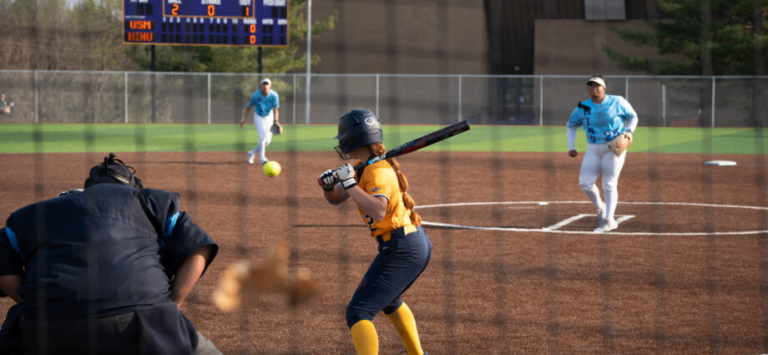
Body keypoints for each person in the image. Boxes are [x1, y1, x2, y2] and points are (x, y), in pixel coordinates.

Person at [0, 153, 221, 355]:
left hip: (44, 326)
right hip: (142, 322)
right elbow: (199, 246)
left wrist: (29, 301)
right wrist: (171, 306)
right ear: (131, 186)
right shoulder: (150, 202)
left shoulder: (35, 212)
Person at [318, 109, 432, 355]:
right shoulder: (362, 167)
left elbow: (378, 210)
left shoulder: (377, 170)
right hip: (408, 244)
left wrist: (348, 183)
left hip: (403, 247)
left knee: (358, 312)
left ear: (350, 139)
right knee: (389, 301)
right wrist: (330, 186)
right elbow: (338, 198)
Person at [567, 75, 638, 233]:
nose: (594, 89)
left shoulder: (617, 101)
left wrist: (629, 132)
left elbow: (633, 116)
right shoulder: (582, 107)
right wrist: (571, 146)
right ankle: (601, 207)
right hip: (593, 147)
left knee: (609, 183)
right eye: (591, 86)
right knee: (585, 183)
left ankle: (608, 220)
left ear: (604, 89)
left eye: (597, 86)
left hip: (614, 146)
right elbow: (571, 125)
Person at [240, 78, 280, 165]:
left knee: (267, 141)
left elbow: (276, 109)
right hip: (258, 116)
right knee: (262, 137)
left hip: (269, 116)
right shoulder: (255, 95)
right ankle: (262, 158)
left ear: (270, 85)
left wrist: (276, 121)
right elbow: (248, 107)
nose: (265, 86)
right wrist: (244, 120)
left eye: (267, 84)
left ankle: (251, 153)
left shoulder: (274, 95)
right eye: (264, 84)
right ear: (261, 85)